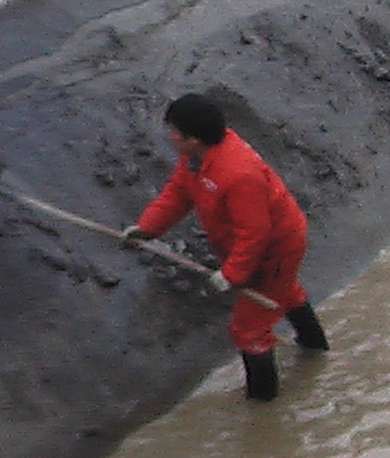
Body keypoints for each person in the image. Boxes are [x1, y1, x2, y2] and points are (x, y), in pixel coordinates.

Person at [125, 94, 327, 402]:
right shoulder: (197, 159)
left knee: (248, 330)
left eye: (173, 131)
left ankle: (263, 405)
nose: (169, 136)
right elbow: (178, 193)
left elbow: (255, 233)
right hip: (252, 244)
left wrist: (232, 273)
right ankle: (316, 351)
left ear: (192, 139)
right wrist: (147, 228)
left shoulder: (238, 174)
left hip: (275, 249)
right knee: (286, 293)